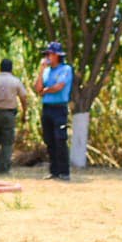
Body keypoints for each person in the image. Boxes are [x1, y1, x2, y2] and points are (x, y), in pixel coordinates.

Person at [32, 41, 73, 181]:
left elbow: (59, 86)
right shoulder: (47, 71)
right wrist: (41, 70)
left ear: (57, 55)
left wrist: (46, 91)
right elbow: (37, 88)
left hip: (59, 108)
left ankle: (64, 171)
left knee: (60, 139)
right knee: (49, 139)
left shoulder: (65, 69)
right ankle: (54, 170)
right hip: (47, 108)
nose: (48, 56)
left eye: (50, 53)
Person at [0, 58, 30, 174]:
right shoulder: (15, 82)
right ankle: (4, 168)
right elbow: (23, 97)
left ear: (0, 68)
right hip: (9, 114)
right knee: (7, 142)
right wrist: (24, 112)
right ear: (11, 68)